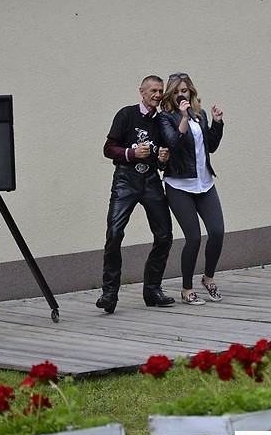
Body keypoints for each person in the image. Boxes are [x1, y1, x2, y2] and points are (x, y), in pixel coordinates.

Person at [95, 75, 174, 314]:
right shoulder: (126, 114)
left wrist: (163, 159)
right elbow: (108, 148)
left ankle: (152, 289)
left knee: (164, 235)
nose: (157, 95)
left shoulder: (161, 121)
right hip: (125, 179)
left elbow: (161, 157)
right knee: (114, 233)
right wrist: (131, 153)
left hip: (150, 180)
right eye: (153, 90)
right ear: (142, 92)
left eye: (160, 91)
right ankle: (109, 293)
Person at [159, 72, 224, 306]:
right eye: (176, 92)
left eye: (184, 91)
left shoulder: (200, 114)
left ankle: (208, 278)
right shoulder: (165, 118)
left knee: (217, 231)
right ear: (171, 95)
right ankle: (187, 289)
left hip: (204, 182)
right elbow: (174, 143)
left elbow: (211, 146)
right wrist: (184, 118)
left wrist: (217, 123)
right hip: (179, 185)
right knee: (194, 238)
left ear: (191, 92)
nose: (181, 95)